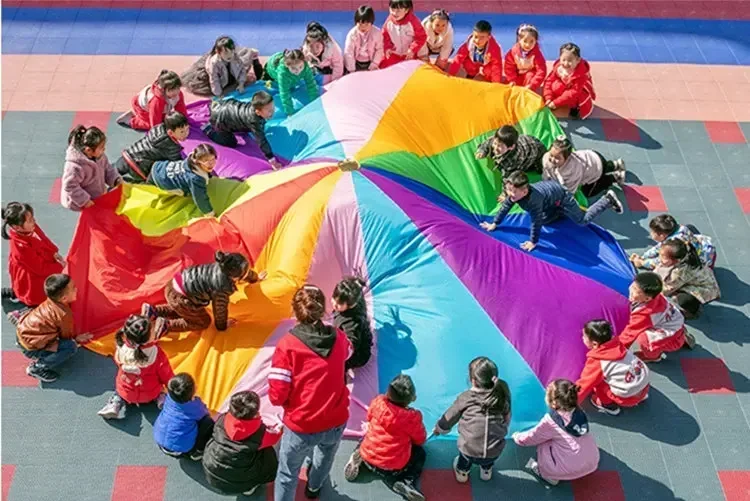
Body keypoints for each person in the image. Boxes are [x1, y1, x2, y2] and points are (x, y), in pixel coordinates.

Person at [269, 285, 352, 501]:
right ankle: (314, 488)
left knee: (287, 474)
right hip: (335, 419)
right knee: (325, 458)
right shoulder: (339, 337)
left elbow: (277, 396)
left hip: (301, 425)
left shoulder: (287, 346)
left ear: (296, 312)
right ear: (322, 309)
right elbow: (347, 354)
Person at [480, 172, 623, 252]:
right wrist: (495, 223)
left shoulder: (533, 201)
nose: (509, 194)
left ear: (524, 191)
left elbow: (536, 222)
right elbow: (505, 207)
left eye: (513, 191)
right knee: (547, 220)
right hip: (551, 200)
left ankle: (607, 200)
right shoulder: (515, 195)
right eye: (508, 190)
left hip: (562, 197)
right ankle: (560, 211)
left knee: (582, 220)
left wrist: (533, 242)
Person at [344, 375, 427, 501]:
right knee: (420, 453)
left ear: (388, 392)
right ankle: (405, 481)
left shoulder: (378, 403)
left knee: (368, 437)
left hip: (369, 457)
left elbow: (369, 417)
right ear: (412, 399)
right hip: (394, 468)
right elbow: (420, 439)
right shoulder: (412, 418)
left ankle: (358, 457)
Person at [143, 251, 265, 334]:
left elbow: (245, 273)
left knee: (181, 310)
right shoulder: (221, 286)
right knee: (202, 322)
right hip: (181, 297)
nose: (247, 274)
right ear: (233, 278)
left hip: (174, 284)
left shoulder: (225, 263)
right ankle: (166, 325)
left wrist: (255, 278)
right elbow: (220, 309)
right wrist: (222, 326)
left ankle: (154, 311)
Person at [433, 357, 511, 483]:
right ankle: (486, 471)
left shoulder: (466, 398)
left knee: (464, 459)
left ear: (472, 380)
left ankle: (462, 473)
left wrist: (439, 428)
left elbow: (449, 417)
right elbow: (507, 418)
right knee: (488, 459)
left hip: (469, 450)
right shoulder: (502, 396)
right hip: (495, 451)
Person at [513, 379, 599, 485]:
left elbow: (531, 438)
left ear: (554, 403)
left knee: (543, 442)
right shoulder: (579, 412)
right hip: (592, 462)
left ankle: (549, 475)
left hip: (568, 469)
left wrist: (517, 436)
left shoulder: (551, 420)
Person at [14, 274, 92, 383]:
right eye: (73, 288)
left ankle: (21, 338)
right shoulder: (63, 314)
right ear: (64, 298)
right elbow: (66, 337)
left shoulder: (51, 300)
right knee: (70, 347)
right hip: (31, 347)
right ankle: (38, 367)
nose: (76, 289)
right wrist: (77, 339)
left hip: (21, 334)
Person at [202, 391, 280, 496]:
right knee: (269, 452)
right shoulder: (260, 435)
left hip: (213, 470)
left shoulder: (222, 419)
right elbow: (275, 438)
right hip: (238, 480)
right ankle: (249, 486)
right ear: (255, 414)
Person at [97, 314, 174, 420]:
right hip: (149, 393)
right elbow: (166, 374)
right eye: (152, 331)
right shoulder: (156, 354)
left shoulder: (121, 349)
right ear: (146, 339)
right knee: (160, 389)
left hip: (127, 392)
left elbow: (118, 361)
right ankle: (161, 398)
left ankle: (115, 403)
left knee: (119, 390)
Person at [576, 319, 650, 416]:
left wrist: (569, 403)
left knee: (598, 382)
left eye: (584, 336)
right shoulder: (619, 345)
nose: (582, 338)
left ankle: (608, 405)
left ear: (594, 344)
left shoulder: (598, 361)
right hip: (644, 387)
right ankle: (640, 396)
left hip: (627, 398)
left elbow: (584, 385)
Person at [2, 202, 64, 312]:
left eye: (32, 218)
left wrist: (53, 251)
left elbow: (43, 238)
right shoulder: (20, 247)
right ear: (17, 227)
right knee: (35, 295)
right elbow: (40, 268)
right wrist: (61, 268)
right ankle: (22, 310)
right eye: (30, 220)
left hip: (37, 264)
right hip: (31, 274)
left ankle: (15, 292)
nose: (34, 221)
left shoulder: (30, 227)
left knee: (22, 289)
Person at [619, 272, 694, 361]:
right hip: (674, 324)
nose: (631, 289)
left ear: (647, 299)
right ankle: (680, 337)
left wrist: (616, 350)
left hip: (670, 333)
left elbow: (629, 334)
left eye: (635, 290)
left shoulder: (645, 314)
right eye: (633, 285)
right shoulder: (655, 296)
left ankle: (653, 356)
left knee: (644, 339)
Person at [202, 91, 282, 169]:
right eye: (269, 111)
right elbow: (262, 141)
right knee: (231, 143)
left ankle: (214, 107)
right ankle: (208, 129)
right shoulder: (253, 121)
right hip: (220, 119)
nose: (273, 112)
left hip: (226, 105)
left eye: (273, 108)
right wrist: (272, 160)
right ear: (258, 112)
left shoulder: (254, 108)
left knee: (244, 121)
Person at [153, 373, 215, 461]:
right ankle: (197, 451)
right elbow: (205, 413)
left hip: (160, 440)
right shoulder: (194, 406)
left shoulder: (169, 398)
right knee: (208, 422)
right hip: (181, 450)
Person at [114, 112, 189, 183]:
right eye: (182, 132)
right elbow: (178, 163)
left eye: (187, 129)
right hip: (138, 167)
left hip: (128, 155)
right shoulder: (172, 147)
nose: (186, 134)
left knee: (112, 172)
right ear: (170, 132)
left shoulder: (158, 129)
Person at [654, 239, 720, 319]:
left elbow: (667, 289)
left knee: (682, 299)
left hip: (706, 289)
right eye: (660, 255)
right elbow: (658, 268)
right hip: (696, 281)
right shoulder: (683, 256)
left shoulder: (681, 272)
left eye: (663, 257)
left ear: (676, 260)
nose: (660, 259)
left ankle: (693, 311)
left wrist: (649, 294)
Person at [61, 125, 122, 211]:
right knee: (88, 219)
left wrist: (116, 180)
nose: (104, 149)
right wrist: (85, 201)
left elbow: (107, 169)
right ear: (88, 150)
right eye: (101, 148)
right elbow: (70, 186)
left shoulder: (100, 156)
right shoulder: (75, 167)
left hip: (96, 196)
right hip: (80, 202)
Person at [542, 134, 626, 196]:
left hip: (597, 168)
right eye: (551, 155)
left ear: (567, 158)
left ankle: (614, 177)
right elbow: (546, 171)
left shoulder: (572, 171)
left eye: (557, 158)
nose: (552, 159)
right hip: (592, 156)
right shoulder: (546, 158)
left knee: (587, 192)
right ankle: (616, 164)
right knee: (602, 165)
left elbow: (569, 192)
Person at [148, 144, 218, 216]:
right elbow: (200, 199)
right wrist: (210, 213)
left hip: (159, 167)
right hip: (161, 179)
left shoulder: (191, 160)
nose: (211, 164)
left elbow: (208, 170)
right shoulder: (195, 179)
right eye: (206, 161)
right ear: (197, 161)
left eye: (213, 159)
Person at [181, 35, 262, 97]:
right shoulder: (214, 63)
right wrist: (219, 94)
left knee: (247, 61)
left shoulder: (234, 56)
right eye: (226, 53)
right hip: (218, 78)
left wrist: (241, 83)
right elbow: (214, 80)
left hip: (229, 72)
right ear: (218, 52)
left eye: (232, 51)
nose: (229, 55)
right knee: (210, 87)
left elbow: (242, 70)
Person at [630, 214, 716, 270]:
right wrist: (644, 256)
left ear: (662, 236)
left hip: (701, 263)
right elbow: (659, 247)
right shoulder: (681, 228)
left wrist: (641, 262)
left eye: (652, 232)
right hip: (705, 249)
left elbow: (659, 262)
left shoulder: (673, 246)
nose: (650, 233)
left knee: (668, 266)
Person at [118, 70, 188, 131]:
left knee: (168, 120)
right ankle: (130, 120)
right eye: (172, 90)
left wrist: (184, 122)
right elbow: (155, 124)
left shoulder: (178, 94)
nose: (176, 92)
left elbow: (181, 109)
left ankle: (137, 114)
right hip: (141, 107)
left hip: (156, 107)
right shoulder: (156, 101)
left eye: (178, 88)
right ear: (163, 90)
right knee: (150, 124)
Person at [543, 43, 596, 120]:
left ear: (578, 60)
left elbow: (573, 92)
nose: (566, 63)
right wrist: (548, 97)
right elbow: (548, 81)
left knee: (578, 96)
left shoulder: (581, 73)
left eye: (570, 60)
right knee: (556, 86)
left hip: (578, 91)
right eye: (563, 60)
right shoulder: (558, 68)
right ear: (560, 58)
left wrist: (556, 103)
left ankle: (575, 107)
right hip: (566, 86)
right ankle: (559, 99)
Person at [332, 276, 373, 370]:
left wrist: (337, 357)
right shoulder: (347, 303)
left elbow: (352, 344)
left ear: (351, 305)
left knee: (338, 365)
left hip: (359, 354)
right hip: (346, 335)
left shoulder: (352, 321)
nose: (334, 304)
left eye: (339, 304)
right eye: (334, 298)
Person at [263, 49, 320, 117]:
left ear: (304, 62)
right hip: (270, 71)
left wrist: (315, 103)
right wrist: (289, 112)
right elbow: (284, 93)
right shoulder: (283, 73)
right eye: (293, 68)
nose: (298, 71)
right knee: (266, 85)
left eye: (300, 67)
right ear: (287, 66)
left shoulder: (305, 67)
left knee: (293, 82)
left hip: (284, 59)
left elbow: (311, 84)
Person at [475, 125, 546, 178]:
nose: (495, 148)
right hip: (526, 141)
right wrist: (482, 150)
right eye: (495, 143)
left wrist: (505, 194)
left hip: (537, 151)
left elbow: (509, 178)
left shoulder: (513, 160)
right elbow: (488, 142)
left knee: (538, 169)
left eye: (500, 146)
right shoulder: (498, 140)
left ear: (511, 147)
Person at [380, 0, 427, 69]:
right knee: (384, 67)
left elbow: (421, 37)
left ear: (406, 10)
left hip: (408, 54)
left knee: (412, 70)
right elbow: (385, 36)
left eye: (399, 11)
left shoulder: (413, 22)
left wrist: (412, 49)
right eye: (392, 9)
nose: (395, 13)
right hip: (394, 53)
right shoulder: (389, 21)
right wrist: (387, 48)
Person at [504, 24, 546, 91]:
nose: (528, 45)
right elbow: (509, 67)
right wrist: (512, 80)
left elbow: (541, 71)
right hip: (517, 76)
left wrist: (532, 85)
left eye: (531, 41)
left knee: (529, 75)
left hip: (529, 79)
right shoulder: (513, 52)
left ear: (536, 41)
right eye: (525, 41)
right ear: (519, 39)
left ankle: (528, 92)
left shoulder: (537, 55)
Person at [344, 5, 384, 73]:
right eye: (360, 24)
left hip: (370, 62)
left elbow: (379, 49)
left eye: (366, 24)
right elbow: (348, 52)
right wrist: (351, 69)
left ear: (371, 23)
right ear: (355, 22)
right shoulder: (352, 34)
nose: (363, 27)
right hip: (356, 62)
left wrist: (374, 64)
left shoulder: (377, 33)